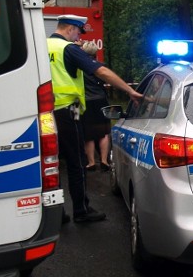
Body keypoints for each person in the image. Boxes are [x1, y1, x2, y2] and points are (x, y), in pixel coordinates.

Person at [47, 14, 142, 223]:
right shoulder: (68, 49)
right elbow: (101, 71)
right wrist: (129, 91)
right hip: (66, 111)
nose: (79, 37)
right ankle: (81, 210)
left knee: (50, 164)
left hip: (44, 114)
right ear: (71, 28)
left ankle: (56, 212)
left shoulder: (42, 46)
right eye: (79, 31)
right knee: (76, 163)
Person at [80, 41, 112, 173]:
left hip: (87, 102)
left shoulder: (80, 68)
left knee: (89, 135)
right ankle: (104, 161)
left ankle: (91, 163)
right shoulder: (101, 67)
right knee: (103, 133)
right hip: (101, 102)